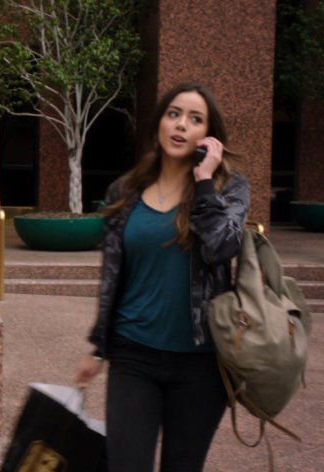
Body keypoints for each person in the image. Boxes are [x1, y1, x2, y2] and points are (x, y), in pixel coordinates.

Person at [73, 83, 250, 471]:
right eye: (174, 114)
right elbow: (112, 281)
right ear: (159, 124)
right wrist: (99, 347)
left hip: (201, 365)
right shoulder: (125, 190)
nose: (181, 125)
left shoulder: (228, 188)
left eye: (195, 118)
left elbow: (221, 248)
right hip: (134, 356)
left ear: (210, 135)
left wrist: (204, 181)